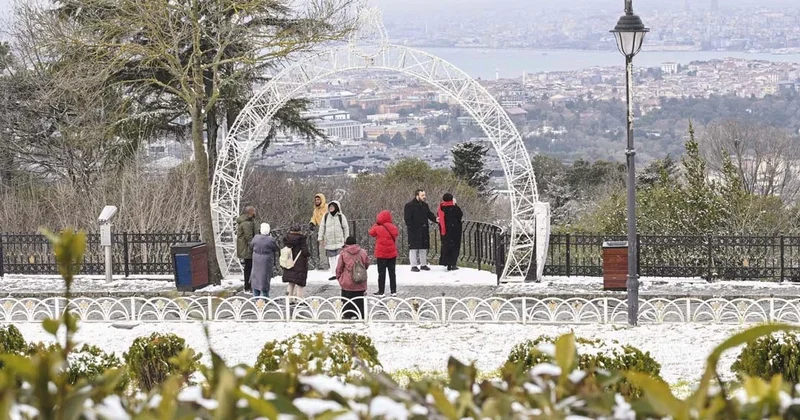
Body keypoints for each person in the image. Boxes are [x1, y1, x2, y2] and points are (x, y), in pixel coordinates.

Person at [403, 189, 437, 272]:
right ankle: (414, 265)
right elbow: (407, 218)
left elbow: (429, 214)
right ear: (417, 196)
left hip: (424, 229)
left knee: (423, 247)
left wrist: (436, 219)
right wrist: (412, 227)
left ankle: (423, 264)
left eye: (424, 195)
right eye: (422, 195)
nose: (424, 197)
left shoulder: (425, 205)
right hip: (414, 230)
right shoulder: (409, 205)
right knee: (413, 248)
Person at [336, 236, 369, 320]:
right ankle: (360, 315)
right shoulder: (363, 252)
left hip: (347, 283)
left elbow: (339, 267)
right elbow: (366, 264)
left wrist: (339, 278)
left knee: (347, 301)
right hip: (360, 281)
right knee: (359, 301)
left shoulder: (343, 253)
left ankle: (347, 315)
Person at [368, 210, 399, 297]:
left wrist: (376, 224)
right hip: (392, 254)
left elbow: (371, 232)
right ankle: (393, 291)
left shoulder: (378, 228)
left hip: (381, 254)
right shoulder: (393, 227)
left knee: (381, 273)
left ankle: (381, 291)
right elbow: (396, 234)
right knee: (392, 272)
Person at [318, 200, 349, 281]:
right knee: (331, 259)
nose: (331, 208)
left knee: (339, 258)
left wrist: (346, 239)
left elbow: (346, 228)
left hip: (339, 241)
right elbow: (322, 227)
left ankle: (339, 272)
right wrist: (320, 238)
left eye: (332, 206)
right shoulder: (326, 216)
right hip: (329, 242)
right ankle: (334, 273)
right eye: (330, 206)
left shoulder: (341, 216)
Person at [250, 223, 279, 297]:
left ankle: (256, 296)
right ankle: (265, 297)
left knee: (256, 277)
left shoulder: (256, 238)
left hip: (256, 259)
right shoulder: (270, 240)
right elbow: (276, 248)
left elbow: (251, 245)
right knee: (265, 278)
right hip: (267, 260)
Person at [282, 226, 311, 302]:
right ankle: (299, 300)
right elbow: (306, 252)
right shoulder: (302, 240)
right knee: (299, 284)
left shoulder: (287, 239)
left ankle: (289, 300)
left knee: (291, 283)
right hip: (299, 263)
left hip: (289, 263)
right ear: (299, 231)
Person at [438, 193, 464, 271]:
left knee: (446, 246)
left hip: (445, 231)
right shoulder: (455, 208)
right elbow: (460, 215)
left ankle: (447, 263)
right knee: (455, 247)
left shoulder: (441, 207)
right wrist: (455, 204)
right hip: (455, 230)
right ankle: (453, 263)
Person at [235, 206, 257, 292]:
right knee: (249, 267)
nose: (255, 212)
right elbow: (249, 237)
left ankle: (248, 285)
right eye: (253, 211)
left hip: (245, 249)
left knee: (248, 267)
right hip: (247, 249)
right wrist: (254, 247)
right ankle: (248, 286)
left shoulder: (245, 222)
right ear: (250, 212)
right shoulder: (247, 223)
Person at [308, 193, 329, 271]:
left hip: (329, 229)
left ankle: (333, 263)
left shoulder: (327, 207)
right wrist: (312, 223)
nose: (317, 201)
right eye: (316, 200)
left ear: (322, 200)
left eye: (318, 200)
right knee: (322, 248)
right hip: (321, 230)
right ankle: (324, 264)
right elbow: (314, 218)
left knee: (331, 247)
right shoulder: (315, 210)